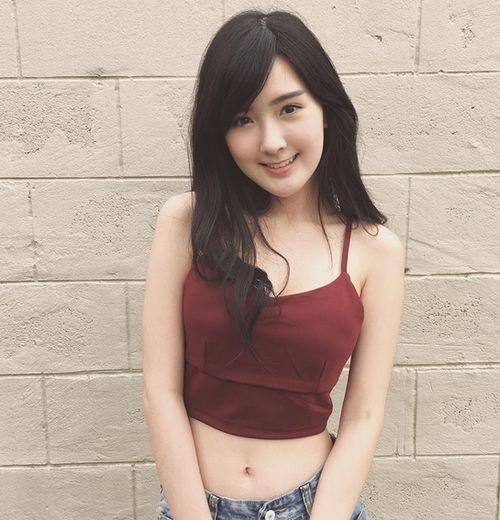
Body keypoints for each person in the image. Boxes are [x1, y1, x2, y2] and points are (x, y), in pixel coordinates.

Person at [142, 9, 405, 520]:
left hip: (315, 506)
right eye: (242, 119)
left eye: (289, 109)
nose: (271, 141)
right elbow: (160, 392)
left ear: (325, 109)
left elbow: (364, 415)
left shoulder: (375, 251)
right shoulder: (186, 222)